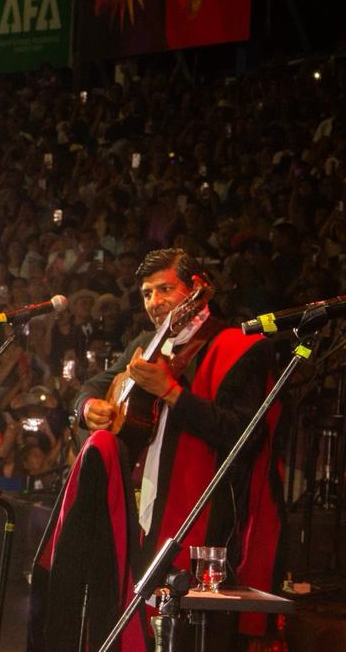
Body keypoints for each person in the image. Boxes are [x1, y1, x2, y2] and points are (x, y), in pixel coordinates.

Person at [29, 248, 283, 650]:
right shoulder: (146, 343)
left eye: (165, 289)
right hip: (137, 507)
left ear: (197, 288)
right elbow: (96, 384)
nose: (153, 302)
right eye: (147, 293)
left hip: (205, 517)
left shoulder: (239, 347)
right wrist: (87, 406)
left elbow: (243, 435)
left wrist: (170, 392)